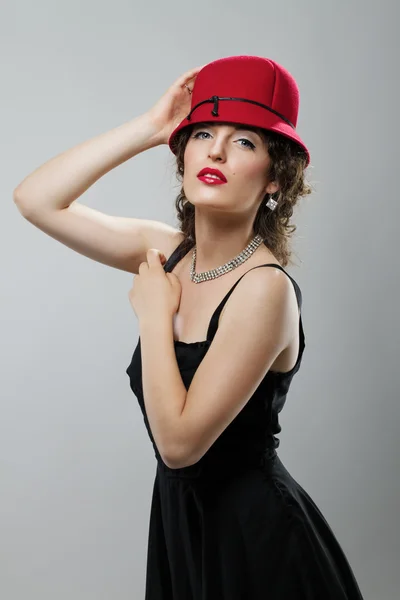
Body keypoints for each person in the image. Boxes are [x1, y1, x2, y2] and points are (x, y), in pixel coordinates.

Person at [13, 55, 364, 599]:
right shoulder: (168, 253)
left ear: (276, 177)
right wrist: (152, 128)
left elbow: (179, 445)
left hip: (256, 541)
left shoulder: (264, 289)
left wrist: (156, 319)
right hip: (182, 529)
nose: (217, 151)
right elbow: (35, 200)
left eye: (244, 141)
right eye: (203, 134)